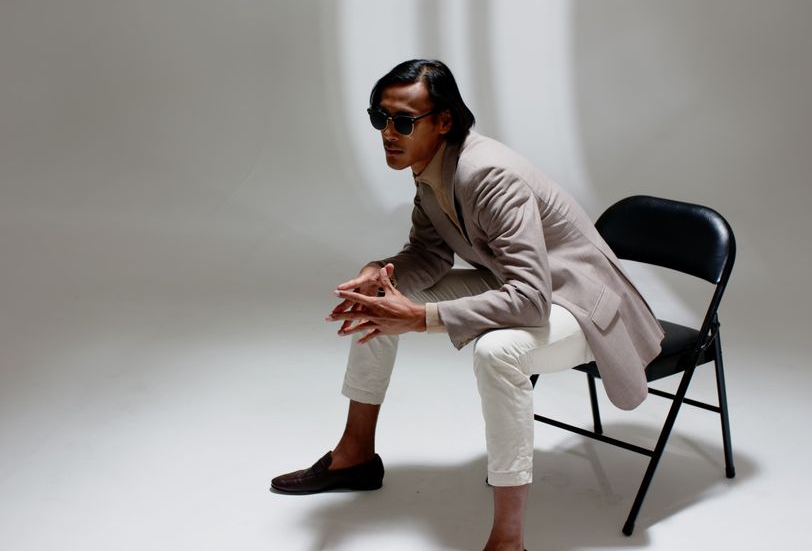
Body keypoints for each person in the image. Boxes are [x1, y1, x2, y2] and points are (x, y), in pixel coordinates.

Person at [271, 59, 664, 551]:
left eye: (403, 121)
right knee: (381, 301)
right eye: (380, 118)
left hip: (581, 303)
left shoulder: (489, 175)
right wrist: (380, 273)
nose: (389, 134)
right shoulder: (432, 165)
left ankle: (508, 539)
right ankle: (355, 455)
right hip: (521, 284)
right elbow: (429, 253)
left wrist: (423, 319)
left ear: (443, 121)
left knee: (496, 353)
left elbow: (531, 298)